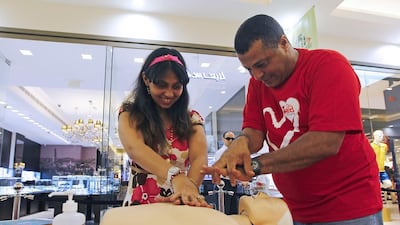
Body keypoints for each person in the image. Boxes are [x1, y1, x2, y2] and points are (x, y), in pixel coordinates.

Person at [203, 14, 383, 224]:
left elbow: (325, 142)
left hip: (349, 206)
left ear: (284, 43)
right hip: (298, 209)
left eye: (261, 64)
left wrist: (255, 166)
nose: (257, 75)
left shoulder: (328, 66)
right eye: (249, 69)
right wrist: (238, 145)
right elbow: (254, 132)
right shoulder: (258, 85)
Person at [118, 47, 210, 208]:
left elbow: (199, 159)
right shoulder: (130, 114)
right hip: (140, 207)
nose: (169, 93)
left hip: (180, 203)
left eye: (176, 86)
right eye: (161, 84)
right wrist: (176, 176)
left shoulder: (193, 119)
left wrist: (189, 189)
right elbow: (135, 148)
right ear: (146, 79)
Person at [213, 131, 238, 214]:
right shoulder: (220, 153)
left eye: (233, 139)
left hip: (233, 183)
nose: (230, 140)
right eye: (228, 138)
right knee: (225, 211)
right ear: (223, 139)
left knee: (233, 210)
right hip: (224, 184)